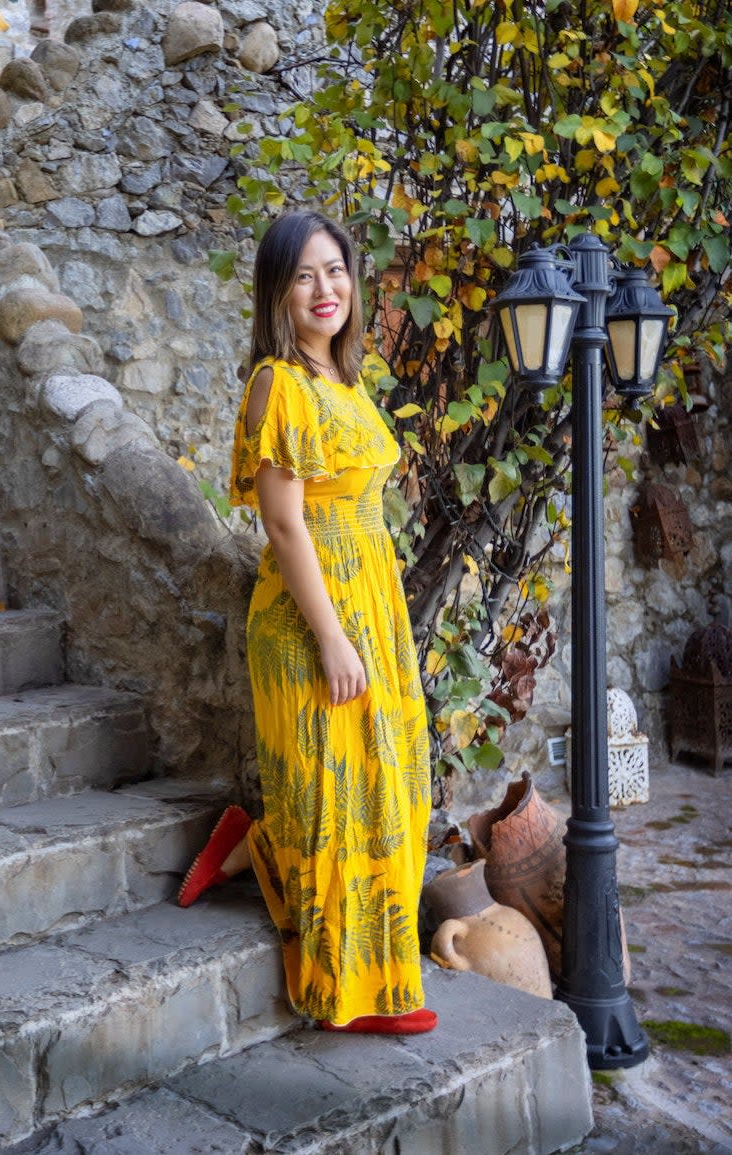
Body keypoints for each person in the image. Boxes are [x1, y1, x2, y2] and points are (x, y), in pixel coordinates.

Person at [178, 210, 436, 1034]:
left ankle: (258, 850)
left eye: (336, 271)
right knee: (334, 801)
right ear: (276, 293)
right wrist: (330, 634)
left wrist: (372, 622)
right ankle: (340, 992)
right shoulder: (275, 383)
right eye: (303, 276)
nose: (325, 290)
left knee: (391, 790)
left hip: (373, 601)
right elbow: (285, 525)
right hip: (307, 613)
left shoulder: (348, 381)